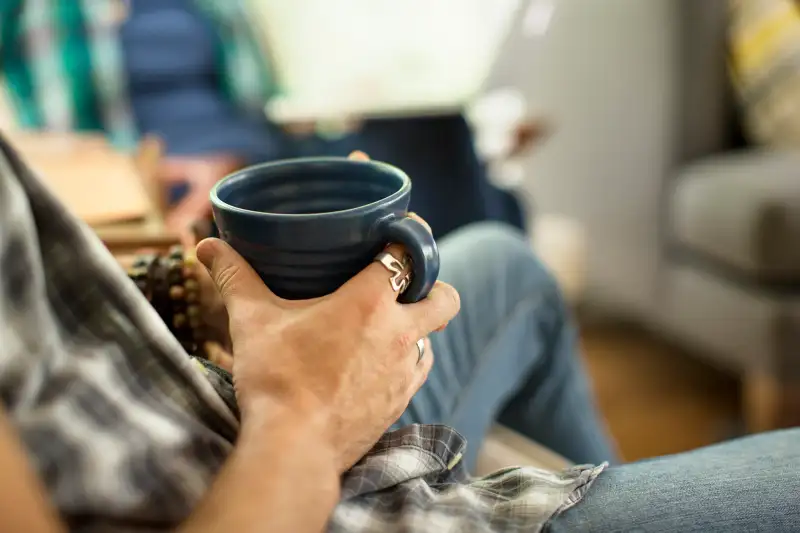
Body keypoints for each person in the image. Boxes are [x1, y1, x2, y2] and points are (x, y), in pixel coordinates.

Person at [2, 135, 800, 532]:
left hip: (210, 418)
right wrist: (306, 419)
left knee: (507, 266)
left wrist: (184, 297)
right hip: (274, 488)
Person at [0, 0, 525, 238]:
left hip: (252, 155)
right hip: (153, 176)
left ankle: (469, 329)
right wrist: (135, 178)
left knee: (439, 135)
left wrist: (244, 151)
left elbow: (256, 99)